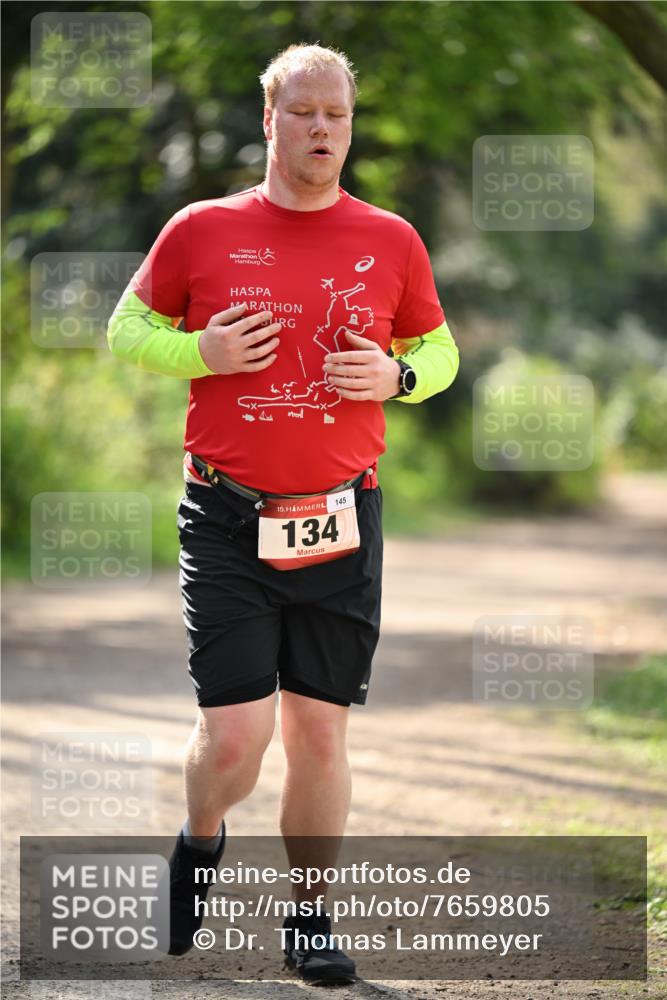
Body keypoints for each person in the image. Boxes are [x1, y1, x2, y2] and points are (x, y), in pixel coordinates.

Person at [107, 42, 459, 985]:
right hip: (226, 515)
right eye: (302, 112)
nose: (320, 129)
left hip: (344, 518)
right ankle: (200, 837)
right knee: (234, 736)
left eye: (335, 115)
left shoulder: (391, 239)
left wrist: (401, 375)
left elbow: (441, 352)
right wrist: (201, 354)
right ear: (269, 121)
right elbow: (125, 328)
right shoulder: (201, 228)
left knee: (318, 732)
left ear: (349, 124)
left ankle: (308, 922)